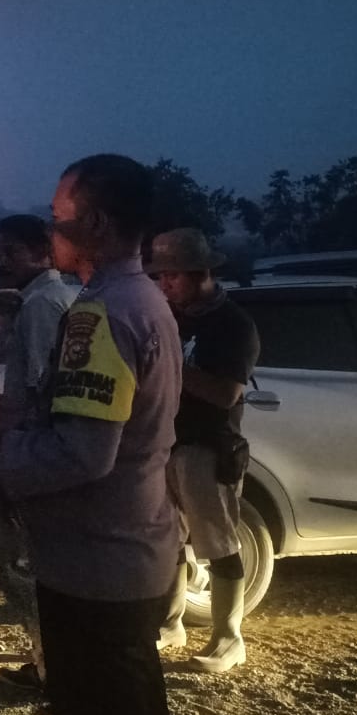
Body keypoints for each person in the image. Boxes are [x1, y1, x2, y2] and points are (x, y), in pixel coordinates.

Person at [0, 155, 182, 715]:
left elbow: (81, 455)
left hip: (94, 566)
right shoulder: (147, 298)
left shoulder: (100, 316)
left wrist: (7, 448)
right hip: (135, 549)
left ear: (95, 223)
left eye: (59, 217)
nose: (51, 232)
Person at [149, 228, 260, 674]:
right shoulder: (173, 317)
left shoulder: (232, 325)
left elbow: (225, 394)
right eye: (161, 275)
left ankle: (229, 639)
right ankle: (170, 624)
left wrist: (172, 360)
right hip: (165, 443)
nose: (164, 284)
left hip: (207, 447)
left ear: (201, 273)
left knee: (218, 543)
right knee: (168, 540)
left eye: (172, 274)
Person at [0, 215, 78, 693]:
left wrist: (16, 458)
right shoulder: (50, 298)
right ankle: (53, 664)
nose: (1, 260)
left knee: (23, 566)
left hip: (30, 449)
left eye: (11, 251)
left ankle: (53, 671)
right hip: (41, 449)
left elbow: (42, 388)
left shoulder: (42, 305)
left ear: (43, 252)